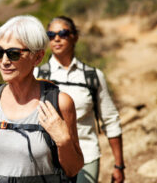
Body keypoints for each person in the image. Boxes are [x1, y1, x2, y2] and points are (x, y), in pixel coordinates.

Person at [0, 15, 84, 183]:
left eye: (13, 54)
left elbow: (73, 169)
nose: (4, 61)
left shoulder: (60, 103)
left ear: (38, 57)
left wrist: (64, 141)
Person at [34, 16, 125, 183]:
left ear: (74, 36)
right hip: (47, 160)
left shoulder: (92, 76)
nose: (57, 38)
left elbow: (110, 120)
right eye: (51, 35)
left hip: (86, 156)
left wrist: (119, 165)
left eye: (62, 33)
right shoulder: (37, 76)